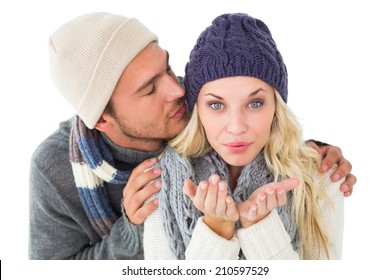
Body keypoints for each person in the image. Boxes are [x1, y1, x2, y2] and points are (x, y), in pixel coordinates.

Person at [29, 12, 355, 260]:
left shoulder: (194, 104)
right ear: (102, 119)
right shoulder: (53, 169)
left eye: (167, 69)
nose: (176, 89)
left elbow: (253, 114)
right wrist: (131, 229)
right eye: (149, 89)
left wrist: (310, 155)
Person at [143, 13, 345, 260]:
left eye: (255, 103)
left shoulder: (320, 178)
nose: (236, 127)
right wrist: (216, 231)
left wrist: (261, 227)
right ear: (198, 111)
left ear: (276, 107)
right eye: (217, 105)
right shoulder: (160, 182)